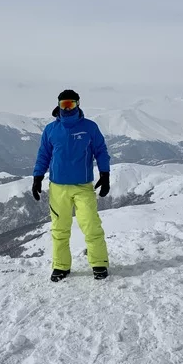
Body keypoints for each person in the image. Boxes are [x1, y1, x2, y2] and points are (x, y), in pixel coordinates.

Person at [32, 89, 111, 282]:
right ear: (58, 105)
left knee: (91, 224)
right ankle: (61, 265)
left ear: (78, 104)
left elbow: (100, 150)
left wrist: (105, 173)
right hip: (58, 187)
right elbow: (44, 154)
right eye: (64, 104)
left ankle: (99, 262)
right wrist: (37, 176)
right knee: (59, 228)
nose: (67, 109)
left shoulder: (89, 127)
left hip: (83, 186)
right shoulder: (51, 129)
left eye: (71, 104)